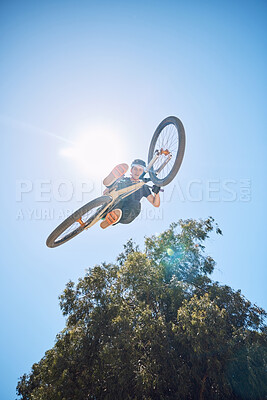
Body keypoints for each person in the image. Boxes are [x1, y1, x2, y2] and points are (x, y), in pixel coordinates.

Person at [100, 159, 160, 229]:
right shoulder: (124, 180)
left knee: (136, 204)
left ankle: (115, 216)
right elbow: (105, 193)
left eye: (140, 170)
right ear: (131, 170)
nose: (137, 172)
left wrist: (156, 193)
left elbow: (155, 204)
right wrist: (111, 186)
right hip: (114, 203)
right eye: (135, 169)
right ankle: (111, 183)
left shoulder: (143, 187)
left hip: (127, 212)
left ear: (143, 172)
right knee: (117, 187)